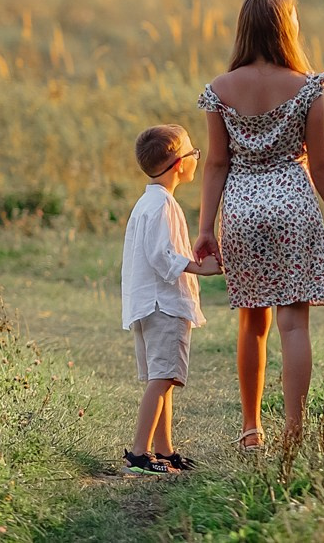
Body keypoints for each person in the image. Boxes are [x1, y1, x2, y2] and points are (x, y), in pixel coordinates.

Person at [194, 0, 324, 451]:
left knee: (252, 324)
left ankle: (252, 429)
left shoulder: (220, 90)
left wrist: (205, 228)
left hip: (241, 209)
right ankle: (293, 431)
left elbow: (215, 164)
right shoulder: (307, 86)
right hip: (292, 207)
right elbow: (322, 167)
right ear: (285, 27)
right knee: (293, 325)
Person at [121, 123, 220, 475]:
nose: (197, 158)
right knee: (162, 379)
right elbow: (161, 255)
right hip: (163, 305)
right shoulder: (162, 205)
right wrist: (199, 267)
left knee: (164, 380)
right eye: (194, 153)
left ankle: (164, 449)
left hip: (147, 305)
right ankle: (139, 454)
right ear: (180, 164)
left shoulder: (149, 202)